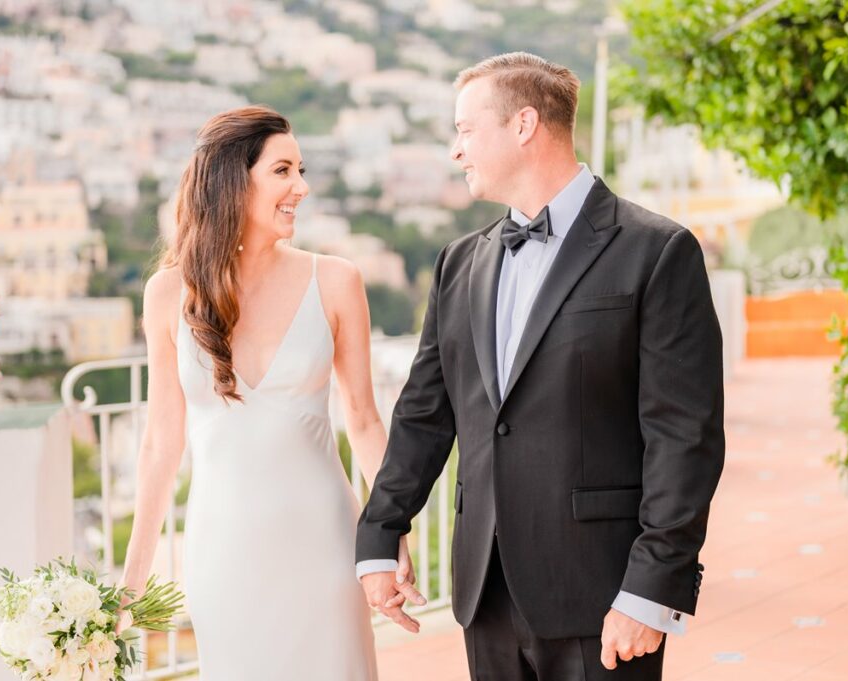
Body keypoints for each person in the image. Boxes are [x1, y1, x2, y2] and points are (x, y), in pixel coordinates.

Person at [356, 52, 725, 681]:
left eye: (466, 130)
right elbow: (424, 413)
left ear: (523, 124)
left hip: (603, 595)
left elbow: (684, 436)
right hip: (486, 592)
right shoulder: (457, 264)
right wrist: (378, 537)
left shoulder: (658, 252)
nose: (456, 150)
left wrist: (651, 589)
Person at [120, 106, 420, 680]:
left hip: (325, 542)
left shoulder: (336, 280)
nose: (301, 188)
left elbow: (362, 419)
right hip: (222, 547)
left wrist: (390, 533)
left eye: (301, 170)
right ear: (234, 180)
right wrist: (131, 581)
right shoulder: (167, 294)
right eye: (283, 171)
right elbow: (161, 443)